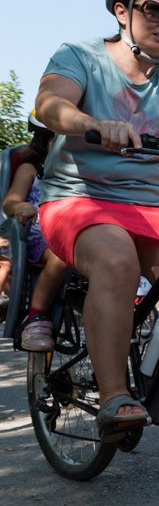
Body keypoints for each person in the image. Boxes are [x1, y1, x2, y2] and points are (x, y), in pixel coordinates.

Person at [33, 0, 159, 441]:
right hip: (81, 198)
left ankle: (156, 376)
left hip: (156, 208)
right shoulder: (81, 55)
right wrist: (92, 124)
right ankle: (115, 394)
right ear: (122, 10)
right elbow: (49, 104)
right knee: (115, 257)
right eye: (155, 10)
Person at [1, 115, 70, 351]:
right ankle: (36, 316)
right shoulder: (31, 169)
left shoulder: (78, 174)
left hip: (72, 231)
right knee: (62, 256)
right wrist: (19, 207)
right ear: (45, 140)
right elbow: (10, 202)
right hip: (40, 234)